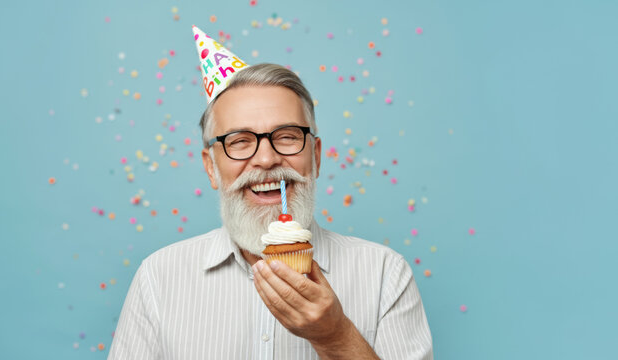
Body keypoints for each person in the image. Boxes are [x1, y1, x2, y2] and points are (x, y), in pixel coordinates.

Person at [108, 62, 433, 359]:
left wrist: (335, 337)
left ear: (316, 157)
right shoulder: (159, 278)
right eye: (239, 141)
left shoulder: (385, 274)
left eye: (288, 137)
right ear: (211, 168)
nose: (266, 159)